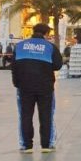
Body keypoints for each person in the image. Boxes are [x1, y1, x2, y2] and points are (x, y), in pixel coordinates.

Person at [13, 23, 63, 153]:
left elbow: (14, 67)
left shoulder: (19, 46)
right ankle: (46, 145)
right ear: (46, 34)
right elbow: (58, 65)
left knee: (25, 116)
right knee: (46, 115)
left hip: (24, 87)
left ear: (33, 31)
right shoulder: (50, 47)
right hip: (45, 87)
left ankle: (27, 146)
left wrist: (17, 83)